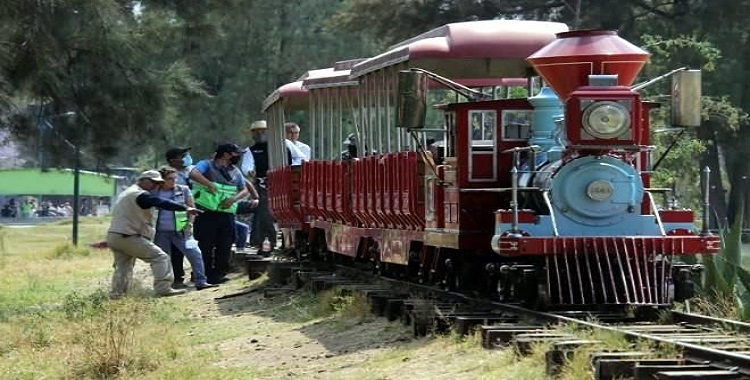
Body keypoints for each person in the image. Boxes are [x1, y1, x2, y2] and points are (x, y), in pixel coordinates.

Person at [107, 170, 201, 299]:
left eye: (158, 183)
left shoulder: (127, 192)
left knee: (124, 266)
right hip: (128, 235)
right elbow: (161, 203)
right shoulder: (140, 194)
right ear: (143, 180)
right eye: (153, 182)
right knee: (160, 257)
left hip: (116, 235)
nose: (155, 186)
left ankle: (117, 294)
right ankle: (163, 288)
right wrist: (186, 208)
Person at [189, 143, 252, 283]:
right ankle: (203, 274)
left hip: (226, 213)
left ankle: (219, 274)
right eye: (236, 154)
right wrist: (208, 184)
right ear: (226, 154)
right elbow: (193, 173)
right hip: (206, 212)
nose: (238, 156)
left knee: (226, 243)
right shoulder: (206, 165)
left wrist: (233, 199)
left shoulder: (235, 171)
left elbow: (245, 189)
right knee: (205, 244)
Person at [153, 166, 218, 291]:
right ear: (162, 180)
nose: (173, 181)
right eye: (169, 179)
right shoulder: (154, 192)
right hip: (160, 232)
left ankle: (201, 281)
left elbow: (191, 208)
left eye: (174, 178)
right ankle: (165, 285)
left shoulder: (183, 190)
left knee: (195, 254)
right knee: (162, 259)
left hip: (181, 230)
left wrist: (189, 224)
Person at [242, 120, 277, 249]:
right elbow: (246, 167)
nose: (261, 133)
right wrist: (250, 171)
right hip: (263, 185)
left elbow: (299, 158)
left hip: (282, 183)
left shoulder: (282, 146)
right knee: (264, 212)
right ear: (253, 134)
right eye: (257, 131)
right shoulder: (250, 150)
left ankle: (258, 240)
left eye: (263, 131)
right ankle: (268, 240)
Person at [164, 146, 194, 285]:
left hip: (194, 212)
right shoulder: (168, 175)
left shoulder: (191, 172)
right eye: (181, 156)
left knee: (196, 245)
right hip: (175, 215)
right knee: (176, 249)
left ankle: (198, 273)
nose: (185, 158)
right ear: (172, 160)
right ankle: (177, 277)